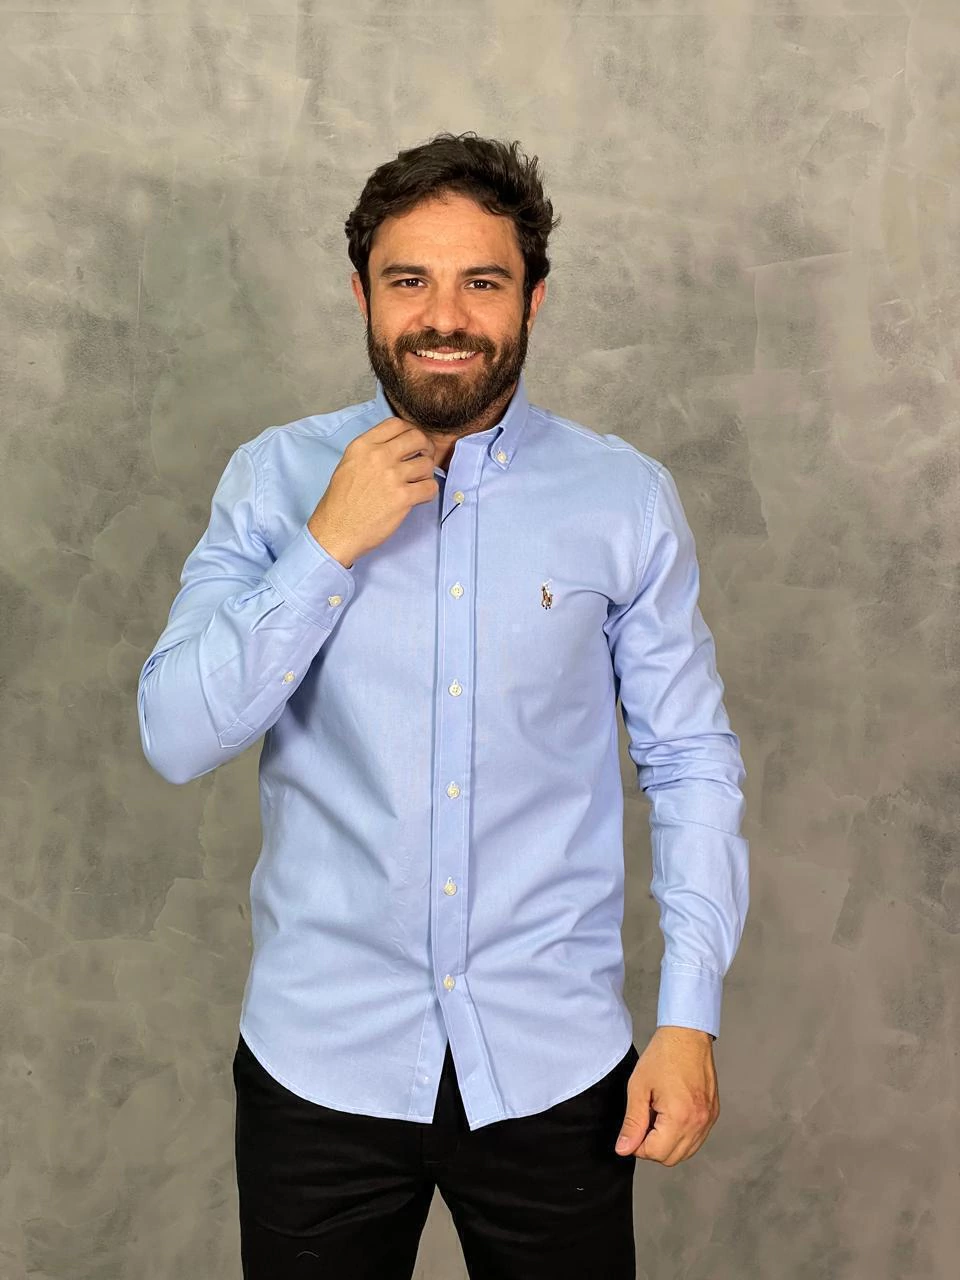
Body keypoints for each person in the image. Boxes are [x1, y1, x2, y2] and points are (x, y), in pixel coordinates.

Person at [137, 130, 749, 1280]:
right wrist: (326, 544)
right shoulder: (274, 481)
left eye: (483, 281)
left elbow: (689, 760)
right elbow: (175, 737)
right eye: (410, 279)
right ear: (362, 292)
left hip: (554, 1066)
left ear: (534, 298)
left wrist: (688, 1010)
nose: (445, 316)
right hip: (320, 1065)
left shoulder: (624, 498)